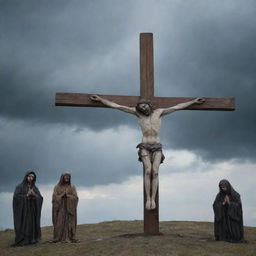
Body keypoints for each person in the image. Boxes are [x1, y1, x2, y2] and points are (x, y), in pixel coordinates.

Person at [90, 95, 205, 210]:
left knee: (155, 173)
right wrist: (101, 100)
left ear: (149, 105)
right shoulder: (138, 114)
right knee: (148, 171)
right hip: (144, 145)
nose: (143, 108)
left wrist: (193, 102)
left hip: (157, 146)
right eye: (141, 107)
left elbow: (177, 107)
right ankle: (148, 199)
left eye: (144, 106)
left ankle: (153, 199)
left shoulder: (159, 112)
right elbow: (118, 106)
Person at [12, 171, 43, 246]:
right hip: (23, 211)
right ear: (26, 177)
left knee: (32, 224)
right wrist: (26, 195)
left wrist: (34, 195)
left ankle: (32, 239)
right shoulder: (19, 187)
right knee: (24, 224)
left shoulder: (35, 188)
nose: (31, 178)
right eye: (29, 176)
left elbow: (40, 198)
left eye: (32, 177)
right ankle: (23, 239)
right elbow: (16, 198)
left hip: (32, 210)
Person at [52, 172, 79, 243]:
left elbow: (75, 198)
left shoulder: (72, 187)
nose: (67, 178)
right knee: (59, 223)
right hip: (60, 209)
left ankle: (70, 237)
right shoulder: (56, 187)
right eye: (65, 176)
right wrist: (61, 196)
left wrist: (68, 196)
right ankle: (58, 238)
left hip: (69, 209)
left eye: (68, 177)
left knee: (69, 224)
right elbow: (54, 198)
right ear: (62, 177)